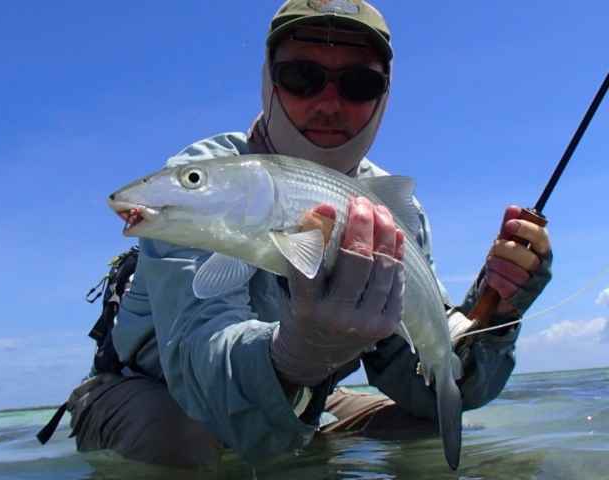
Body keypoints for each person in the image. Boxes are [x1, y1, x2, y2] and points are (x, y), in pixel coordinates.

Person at [68, 0, 552, 469]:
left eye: (359, 84)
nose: (328, 103)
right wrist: (297, 356)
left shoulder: (393, 213)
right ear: (269, 80)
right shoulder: (197, 179)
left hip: (306, 399)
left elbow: (414, 378)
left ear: (383, 96)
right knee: (179, 441)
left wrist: (497, 311)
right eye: (301, 76)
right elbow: (200, 355)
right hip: (149, 390)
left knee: (421, 435)